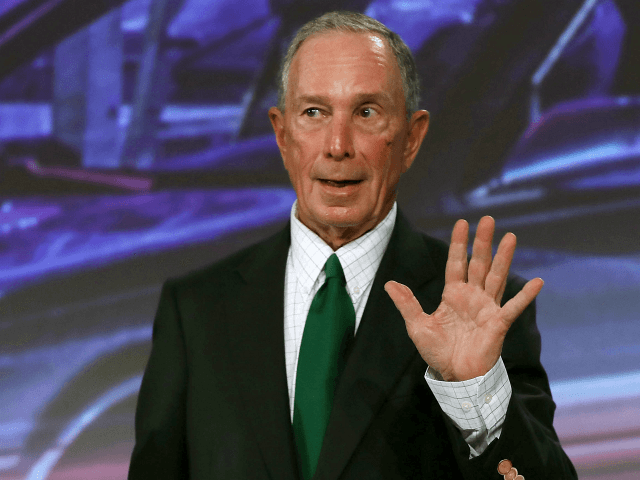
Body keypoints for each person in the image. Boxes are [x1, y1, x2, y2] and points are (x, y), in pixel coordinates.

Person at [128, 11, 577, 480]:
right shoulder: (195, 309)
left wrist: (474, 390)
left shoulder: (482, 306)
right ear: (283, 135)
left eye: (366, 112)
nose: (338, 145)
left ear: (411, 138)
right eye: (314, 113)